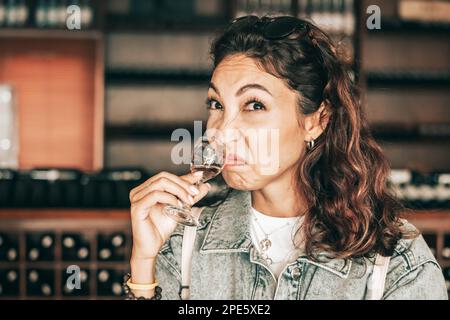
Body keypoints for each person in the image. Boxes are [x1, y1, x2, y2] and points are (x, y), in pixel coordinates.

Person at [125, 15, 448, 300]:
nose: (221, 131)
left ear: (315, 121)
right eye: (216, 104)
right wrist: (143, 262)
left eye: (254, 105)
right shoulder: (181, 242)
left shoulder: (395, 262)